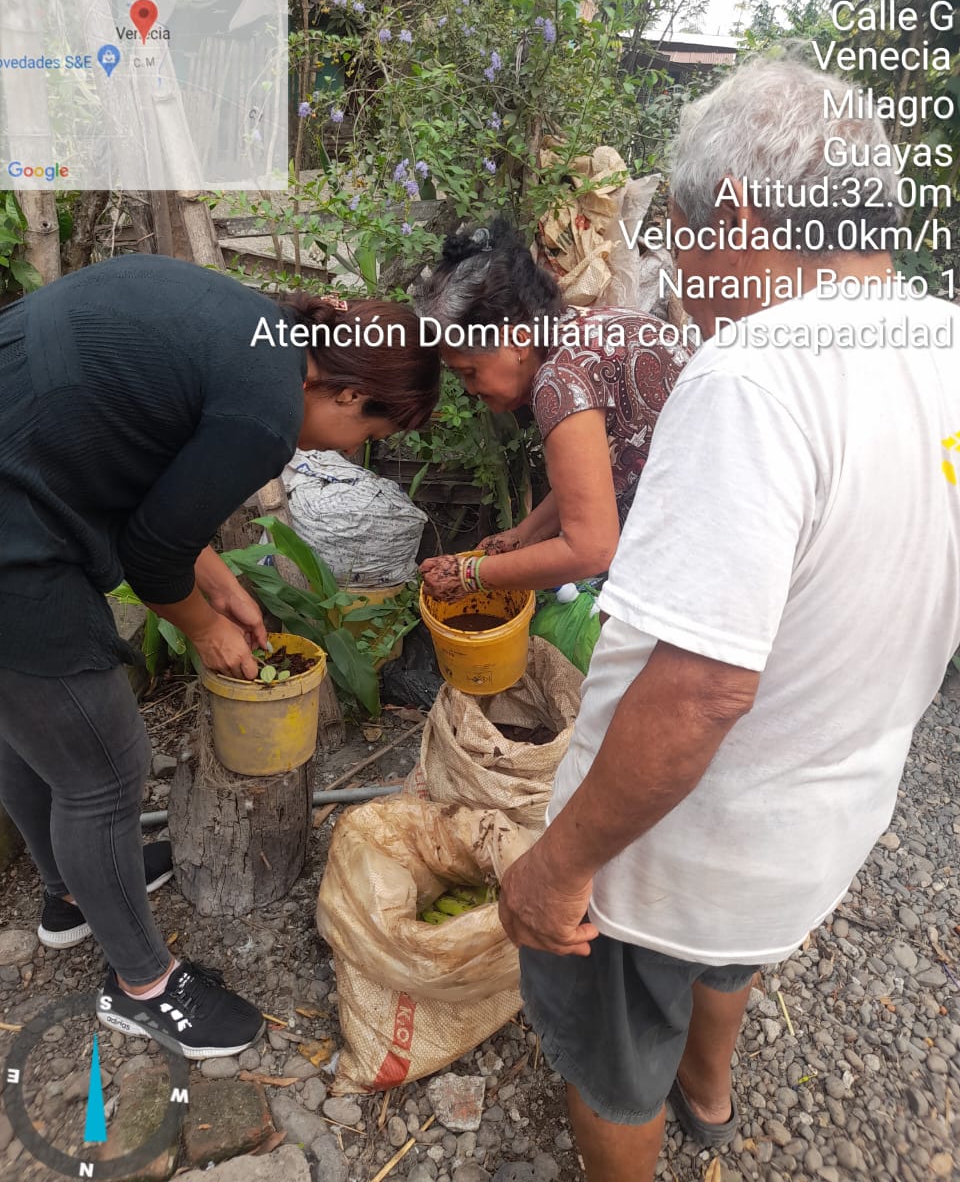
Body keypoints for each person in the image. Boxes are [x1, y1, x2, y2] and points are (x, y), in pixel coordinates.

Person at [497, 58, 960, 1180]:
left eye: (686, 238)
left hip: (674, 853)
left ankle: (656, 1117)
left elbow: (703, 689)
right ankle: (709, 1096)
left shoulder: (756, 375)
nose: (683, 273)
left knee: (613, 1062)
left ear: (742, 214)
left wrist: (558, 865)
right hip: (820, 827)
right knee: (724, 964)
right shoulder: (942, 342)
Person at [0, 254, 439, 1058]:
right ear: (347, 394)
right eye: (369, 436)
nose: (352, 453)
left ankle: (70, 896)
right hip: (15, 520)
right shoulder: (267, 411)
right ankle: (143, 988)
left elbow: (146, 470)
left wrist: (211, 575)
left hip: (22, 443)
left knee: (31, 720)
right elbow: (149, 558)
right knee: (105, 771)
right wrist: (207, 628)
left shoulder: (256, 328)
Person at [414, 221, 694, 600]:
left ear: (517, 340)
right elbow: (588, 483)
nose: (470, 390)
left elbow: (592, 548)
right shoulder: (582, 328)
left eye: (470, 372)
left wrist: (469, 574)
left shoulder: (560, 381)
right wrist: (522, 536)